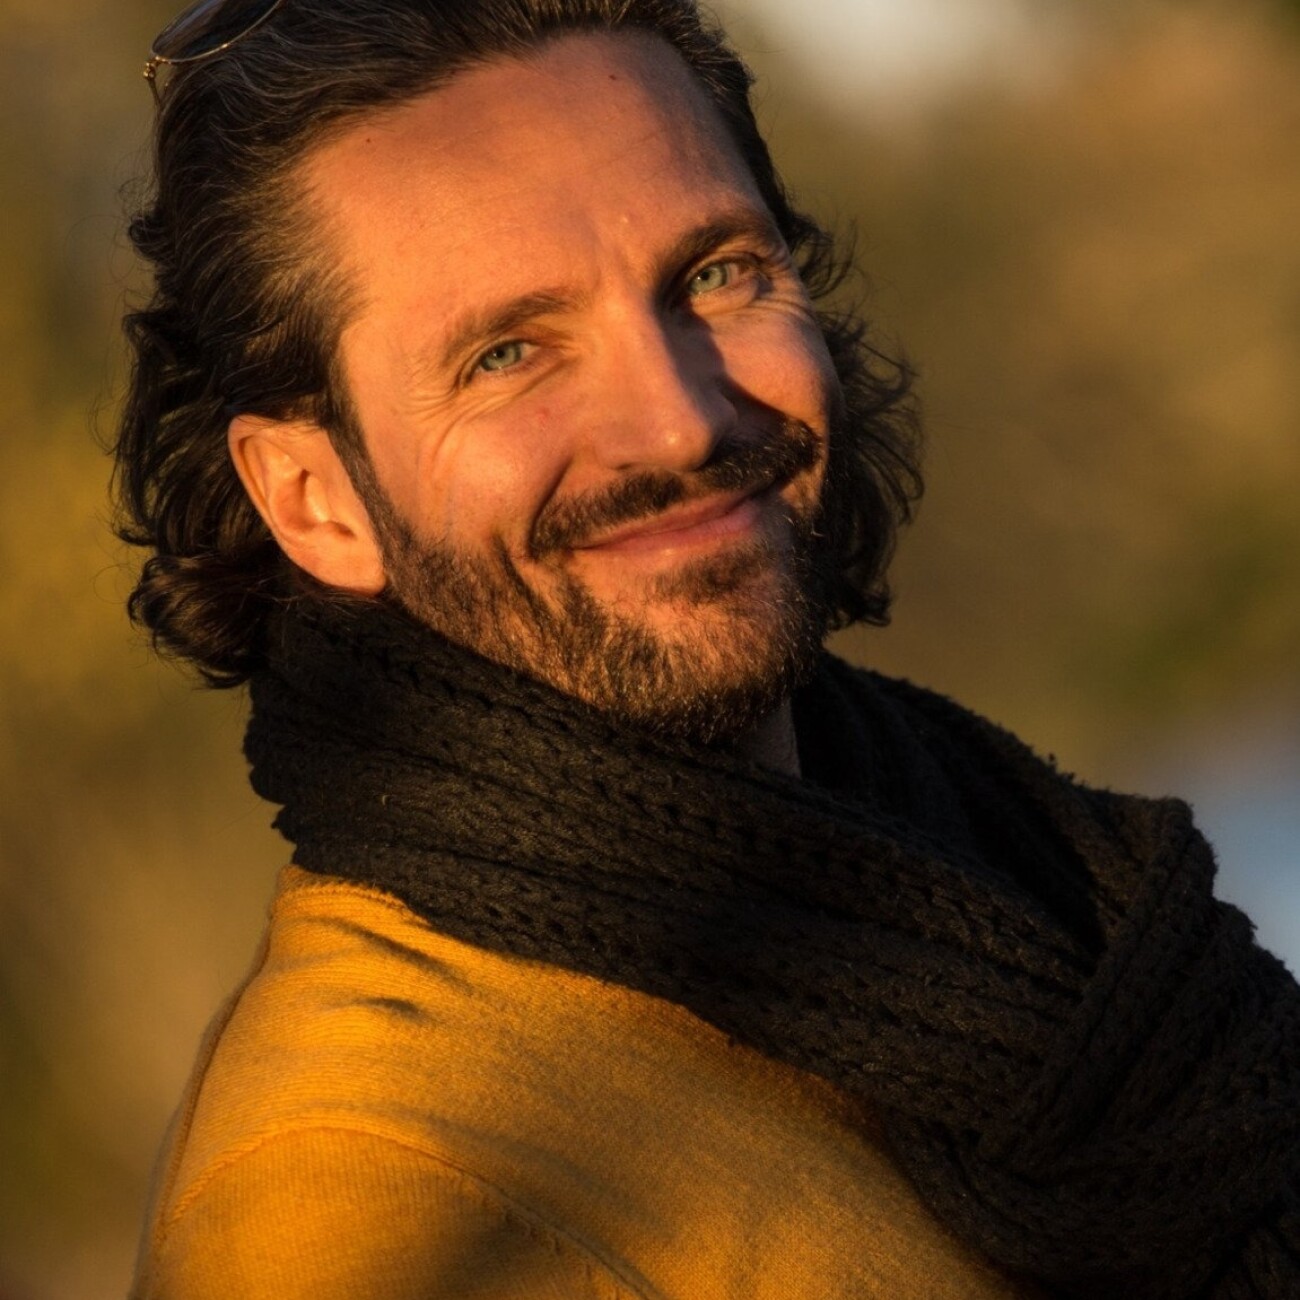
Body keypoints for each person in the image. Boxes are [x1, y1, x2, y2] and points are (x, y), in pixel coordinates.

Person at [116, 1, 1300, 1297]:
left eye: (716, 277)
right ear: (314, 501)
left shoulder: (1003, 874)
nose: (678, 422)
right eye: (508, 354)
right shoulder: (358, 1207)